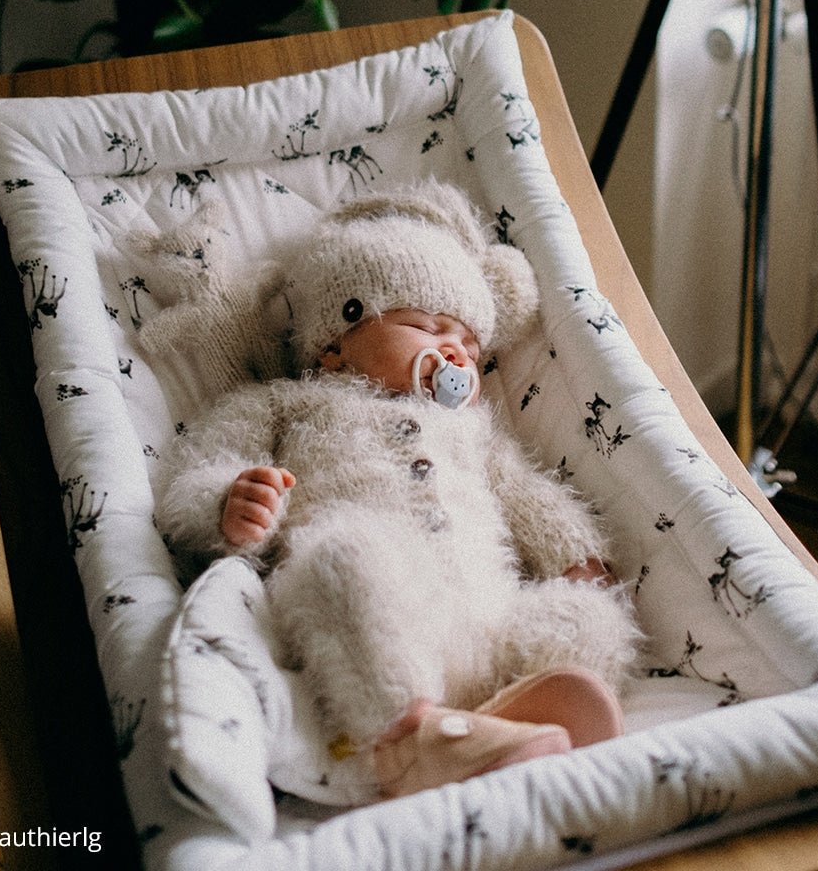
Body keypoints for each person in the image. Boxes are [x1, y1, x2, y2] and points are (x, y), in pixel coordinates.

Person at [154, 180, 640, 798]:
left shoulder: (472, 432)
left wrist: (576, 555)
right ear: (334, 343)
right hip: (380, 634)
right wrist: (228, 501)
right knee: (341, 557)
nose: (455, 356)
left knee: (593, 615)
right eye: (427, 326)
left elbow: (524, 494)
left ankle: (491, 732)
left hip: (490, 633)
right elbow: (195, 472)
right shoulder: (289, 404)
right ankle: (407, 741)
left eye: (468, 344)